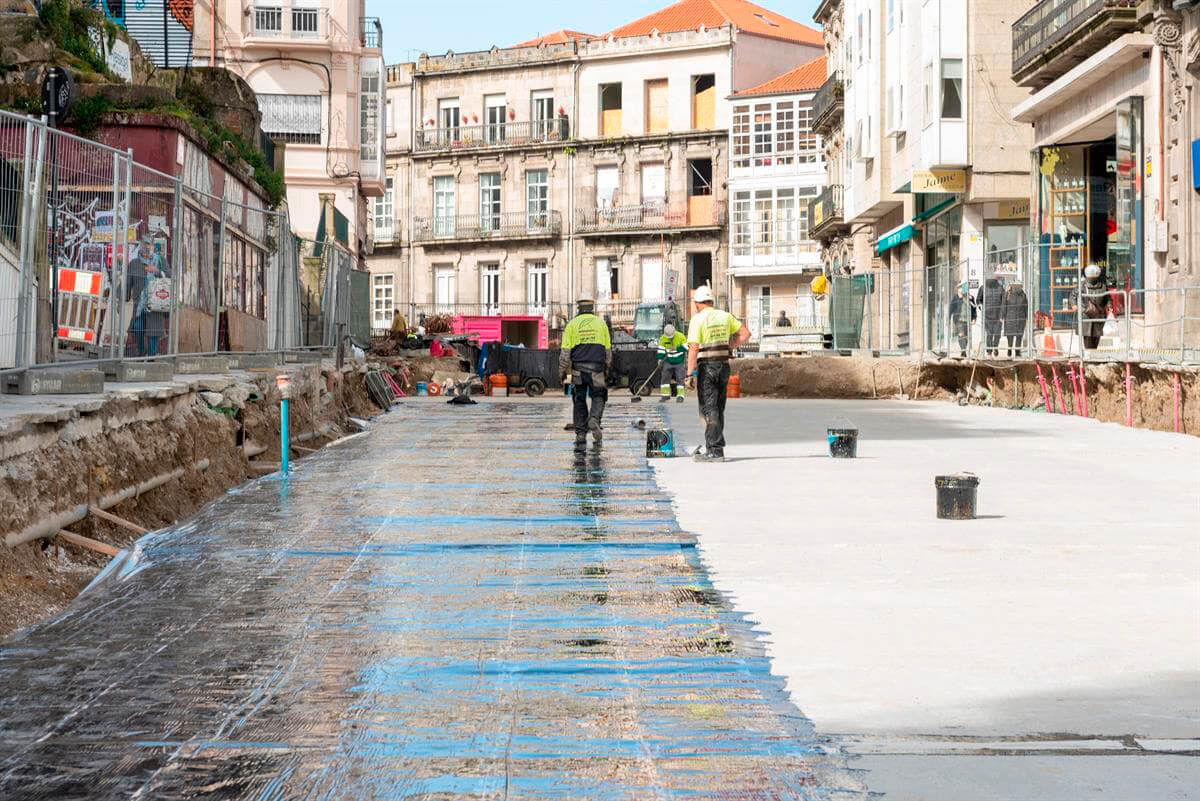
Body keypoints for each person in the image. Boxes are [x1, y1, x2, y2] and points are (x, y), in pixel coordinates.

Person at [685, 286, 751, 463]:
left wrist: (689, 373)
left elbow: (693, 348)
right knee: (718, 407)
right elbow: (745, 334)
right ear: (711, 302)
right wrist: (730, 346)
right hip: (723, 366)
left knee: (709, 407)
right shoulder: (725, 316)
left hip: (707, 367)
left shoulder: (698, 320)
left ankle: (714, 451)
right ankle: (716, 446)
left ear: (698, 303)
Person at [559, 298, 612, 447]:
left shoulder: (572, 324)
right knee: (599, 395)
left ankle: (581, 434)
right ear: (592, 308)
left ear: (579, 309)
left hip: (578, 370)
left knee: (579, 398)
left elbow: (565, 353)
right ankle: (594, 419)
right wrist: (607, 368)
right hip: (597, 368)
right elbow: (608, 351)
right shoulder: (601, 324)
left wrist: (562, 372)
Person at [125, 236, 167, 357]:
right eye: (145, 244)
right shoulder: (134, 263)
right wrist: (126, 296)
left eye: (150, 244)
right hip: (139, 305)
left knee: (153, 332)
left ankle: (151, 356)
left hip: (156, 304)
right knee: (137, 328)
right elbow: (128, 282)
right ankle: (142, 351)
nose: (147, 247)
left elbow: (170, 276)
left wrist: (157, 271)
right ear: (141, 246)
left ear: (153, 246)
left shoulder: (160, 261)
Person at [1079, 264, 1111, 350]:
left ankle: (1094, 355)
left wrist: (1109, 306)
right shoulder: (1082, 285)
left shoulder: (1103, 285)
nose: (1092, 279)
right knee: (1087, 338)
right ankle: (1088, 355)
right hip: (1087, 315)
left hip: (1099, 314)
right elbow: (1073, 296)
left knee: (1097, 337)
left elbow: (1108, 298)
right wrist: (1075, 305)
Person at [656, 323, 688, 403]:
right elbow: (661, 350)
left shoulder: (681, 336)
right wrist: (660, 359)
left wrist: (676, 348)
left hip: (679, 361)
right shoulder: (662, 338)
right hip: (668, 361)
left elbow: (687, 347)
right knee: (665, 377)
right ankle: (665, 395)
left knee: (680, 379)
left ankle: (680, 396)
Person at [1000, 279, 1029, 357]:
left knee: (1019, 335)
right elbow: (1004, 306)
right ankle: (1009, 349)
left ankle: (1017, 351)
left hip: (1020, 318)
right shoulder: (1007, 294)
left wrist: (1027, 316)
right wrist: (1002, 316)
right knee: (1010, 335)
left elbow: (1026, 306)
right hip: (1010, 318)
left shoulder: (1023, 295)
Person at [976, 278, 1005, 356]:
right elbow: (978, 299)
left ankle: (995, 347)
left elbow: (1004, 302)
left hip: (997, 316)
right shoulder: (983, 288)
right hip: (987, 316)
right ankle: (989, 351)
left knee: (997, 334)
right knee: (989, 334)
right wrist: (980, 306)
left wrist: (1002, 315)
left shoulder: (1000, 288)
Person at [947, 284, 975, 356]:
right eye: (960, 288)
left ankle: (964, 349)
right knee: (961, 335)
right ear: (958, 289)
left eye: (963, 288)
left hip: (968, 320)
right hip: (959, 319)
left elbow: (974, 308)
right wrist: (948, 319)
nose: (961, 289)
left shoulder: (970, 297)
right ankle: (963, 351)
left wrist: (974, 318)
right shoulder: (955, 298)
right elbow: (951, 309)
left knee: (966, 337)